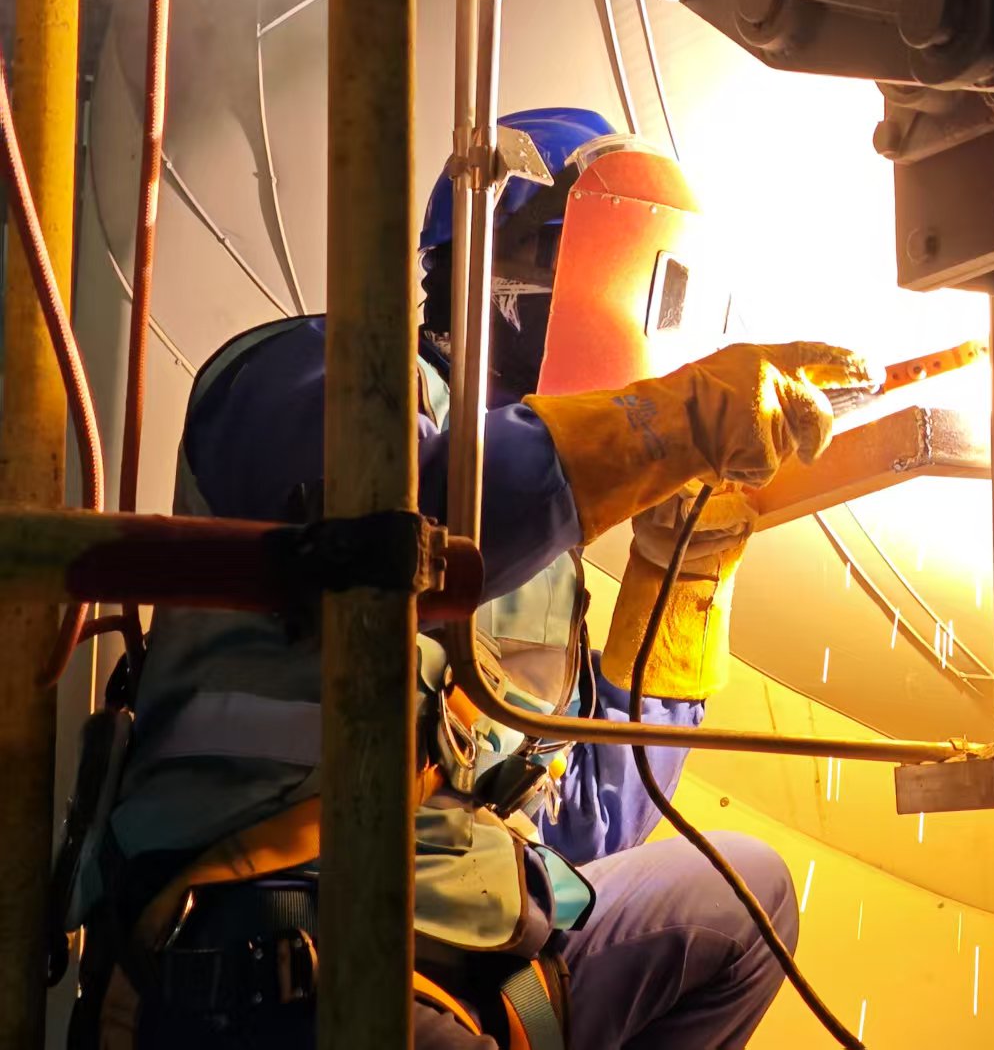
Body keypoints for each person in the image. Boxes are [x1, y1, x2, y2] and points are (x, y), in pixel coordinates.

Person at [67, 107, 871, 1049]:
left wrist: (677, 572)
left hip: (474, 945)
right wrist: (674, 423)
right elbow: (405, 527)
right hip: (281, 944)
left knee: (744, 894)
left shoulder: (549, 556)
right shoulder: (311, 374)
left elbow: (591, 830)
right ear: (502, 258)